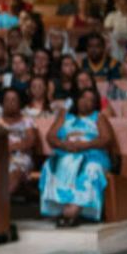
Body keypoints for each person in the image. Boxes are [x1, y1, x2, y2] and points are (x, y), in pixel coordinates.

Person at [41, 87, 114, 227]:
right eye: (83, 98)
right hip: (67, 151)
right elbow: (50, 136)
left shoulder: (98, 117)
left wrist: (85, 145)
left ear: (95, 104)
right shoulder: (65, 115)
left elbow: (107, 139)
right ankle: (63, 207)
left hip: (93, 154)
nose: (86, 102)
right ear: (77, 99)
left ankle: (73, 210)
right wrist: (64, 145)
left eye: (91, 100)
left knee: (92, 170)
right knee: (51, 165)